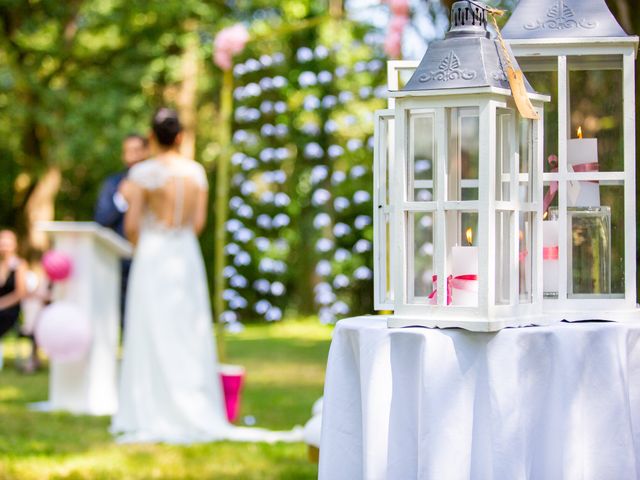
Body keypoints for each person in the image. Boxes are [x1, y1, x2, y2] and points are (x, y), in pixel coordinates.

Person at [111, 108, 300, 444]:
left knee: (150, 327)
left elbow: (131, 226)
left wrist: (146, 245)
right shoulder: (196, 173)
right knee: (187, 328)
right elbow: (197, 225)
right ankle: (193, 401)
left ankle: (152, 406)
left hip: (154, 255)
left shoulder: (141, 173)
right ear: (180, 136)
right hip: (185, 254)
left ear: (152, 137)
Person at [95, 133, 149, 326]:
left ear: (146, 151)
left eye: (137, 150)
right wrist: (122, 200)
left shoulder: (157, 181)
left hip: (151, 256)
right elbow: (101, 221)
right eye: (128, 151)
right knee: (125, 315)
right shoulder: (113, 184)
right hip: (122, 260)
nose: (132, 156)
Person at [0, 230, 27, 370]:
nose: (4, 245)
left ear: (14, 245)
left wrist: (1, 304)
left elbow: (20, 293)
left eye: (7, 242)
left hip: (10, 310)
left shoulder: (19, 265)